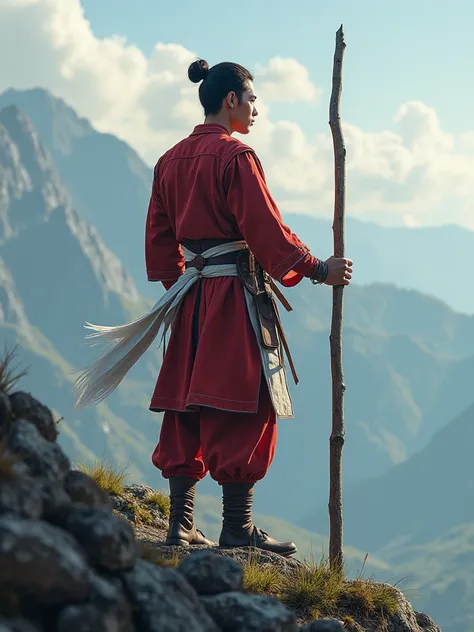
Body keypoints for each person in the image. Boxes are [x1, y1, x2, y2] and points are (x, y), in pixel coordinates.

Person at [73, 58, 353, 558]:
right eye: (252, 99)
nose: (256, 110)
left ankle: (180, 525)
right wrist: (317, 269)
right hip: (232, 298)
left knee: (188, 401)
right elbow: (266, 232)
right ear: (231, 99)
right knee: (243, 401)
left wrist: (184, 288)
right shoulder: (236, 158)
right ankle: (236, 527)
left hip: (190, 297)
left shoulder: (168, 161)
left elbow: (159, 244)